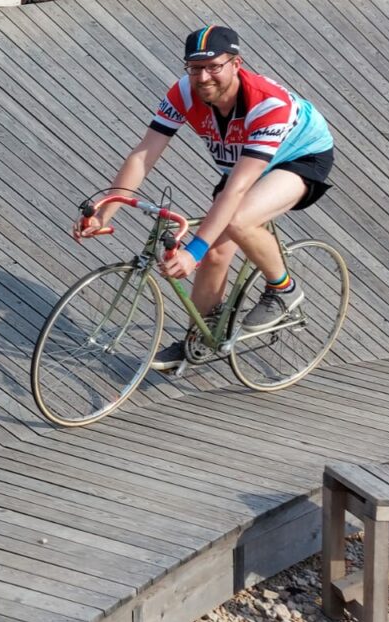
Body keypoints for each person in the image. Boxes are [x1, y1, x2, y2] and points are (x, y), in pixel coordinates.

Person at [74, 24, 335, 372]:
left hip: (299, 157)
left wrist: (192, 252)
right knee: (214, 250)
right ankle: (201, 336)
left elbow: (237, 189)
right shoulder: (183, 92)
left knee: (238, 221)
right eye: (195, 68)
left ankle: (283, 289)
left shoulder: (267, 103)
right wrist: (105, 211)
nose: (203, 76)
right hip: (244, 161)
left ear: (236, 64)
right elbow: (144, 154)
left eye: (214, 66)